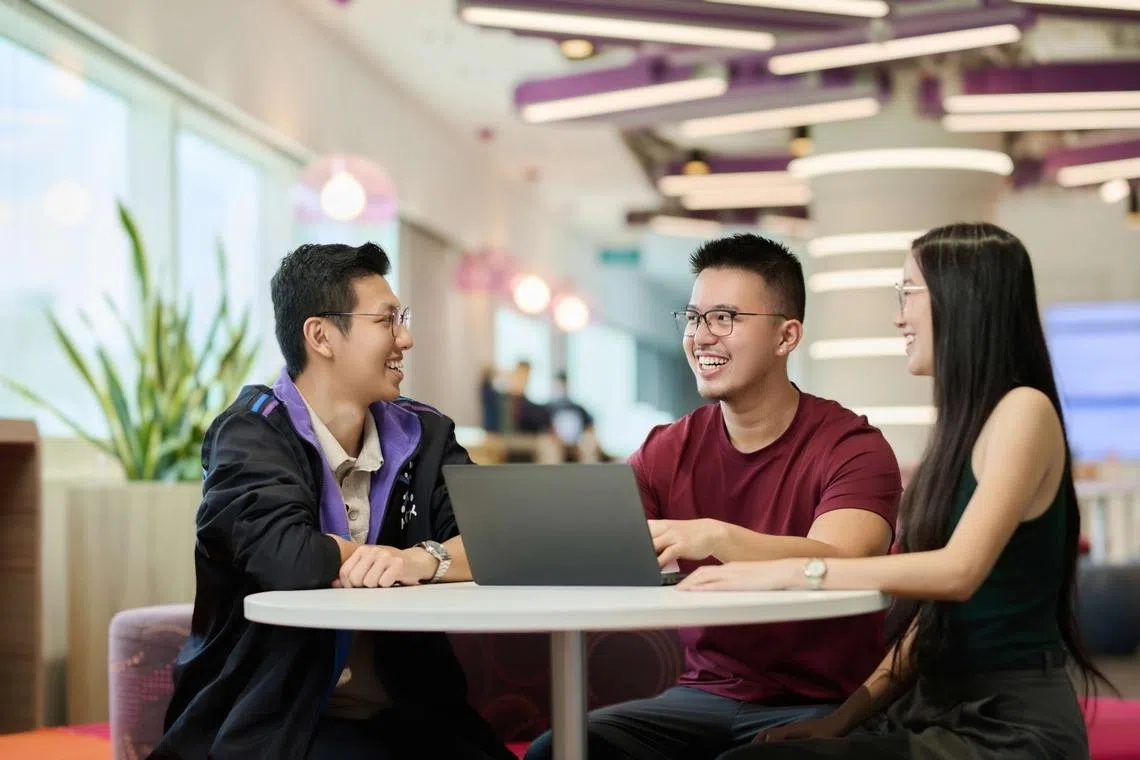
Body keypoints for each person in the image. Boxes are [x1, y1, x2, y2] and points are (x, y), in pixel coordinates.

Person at [682, 223, 1107, 760]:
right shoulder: (962, 427)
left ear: (964, 299)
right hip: (937, 708)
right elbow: (929, 624)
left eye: (909, 292)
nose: (898, 315)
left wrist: (793, 570)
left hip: (1009, 726)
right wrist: (840, 721)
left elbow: (957, 572)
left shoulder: (1024, 410)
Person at [526, 233, 902, 760]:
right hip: (703, 695)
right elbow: (595, 544)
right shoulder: (666, 448)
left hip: (825, 702)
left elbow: (842, 558)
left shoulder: (852, 446)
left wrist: (717, 536)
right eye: (694, 318)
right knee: (559, 750)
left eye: (725, 318)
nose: (702, 337)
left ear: (786, 336)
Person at [149, 243, 515, 760]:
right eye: (387, 320)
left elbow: (499, 540)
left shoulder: (425, 433)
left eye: (402, 319)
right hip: (276, 718)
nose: (405, 339)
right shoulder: (251, 432)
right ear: (321, 335)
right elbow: (287, 555)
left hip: (414, 712)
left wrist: (414, 560)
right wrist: (384, 559)